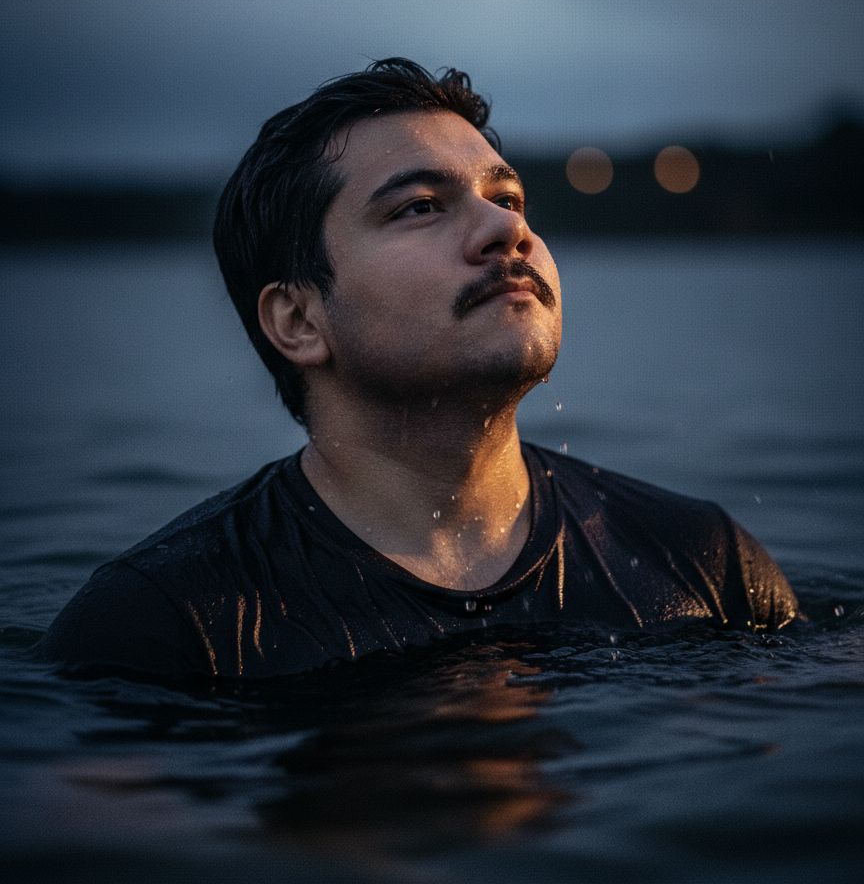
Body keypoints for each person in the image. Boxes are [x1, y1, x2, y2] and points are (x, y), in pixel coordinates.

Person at [40, 59, 798, 679]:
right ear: (299, 322)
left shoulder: (704, 563)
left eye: (508, 197)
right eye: (419, 208)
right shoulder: (164, 627)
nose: (508, 228)